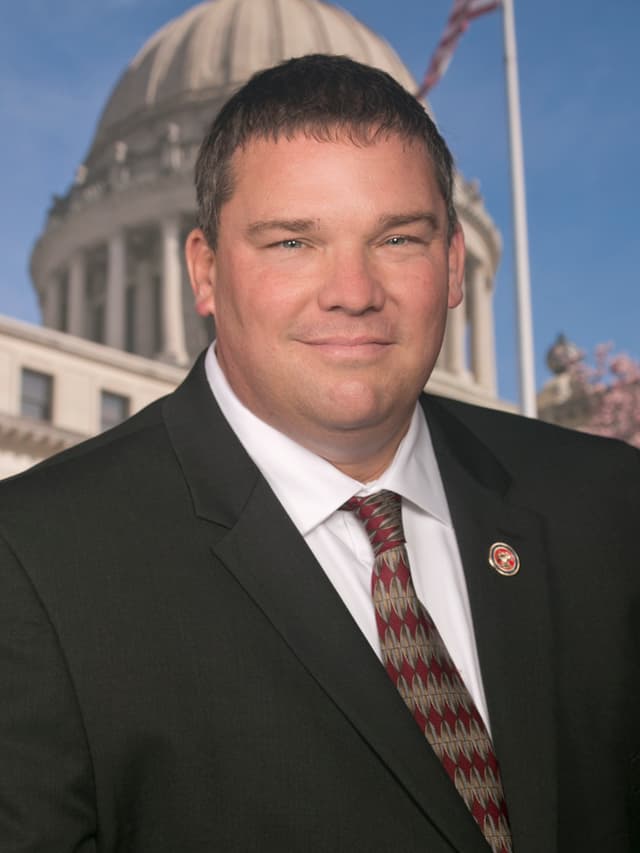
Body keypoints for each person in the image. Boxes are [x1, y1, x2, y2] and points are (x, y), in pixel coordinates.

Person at [0, 54, 638, 853]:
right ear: (204, 270)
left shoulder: (608, 505)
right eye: (293, 241)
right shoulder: (33, 561)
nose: (352, 291)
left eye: (398, 236)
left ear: (451, 267)